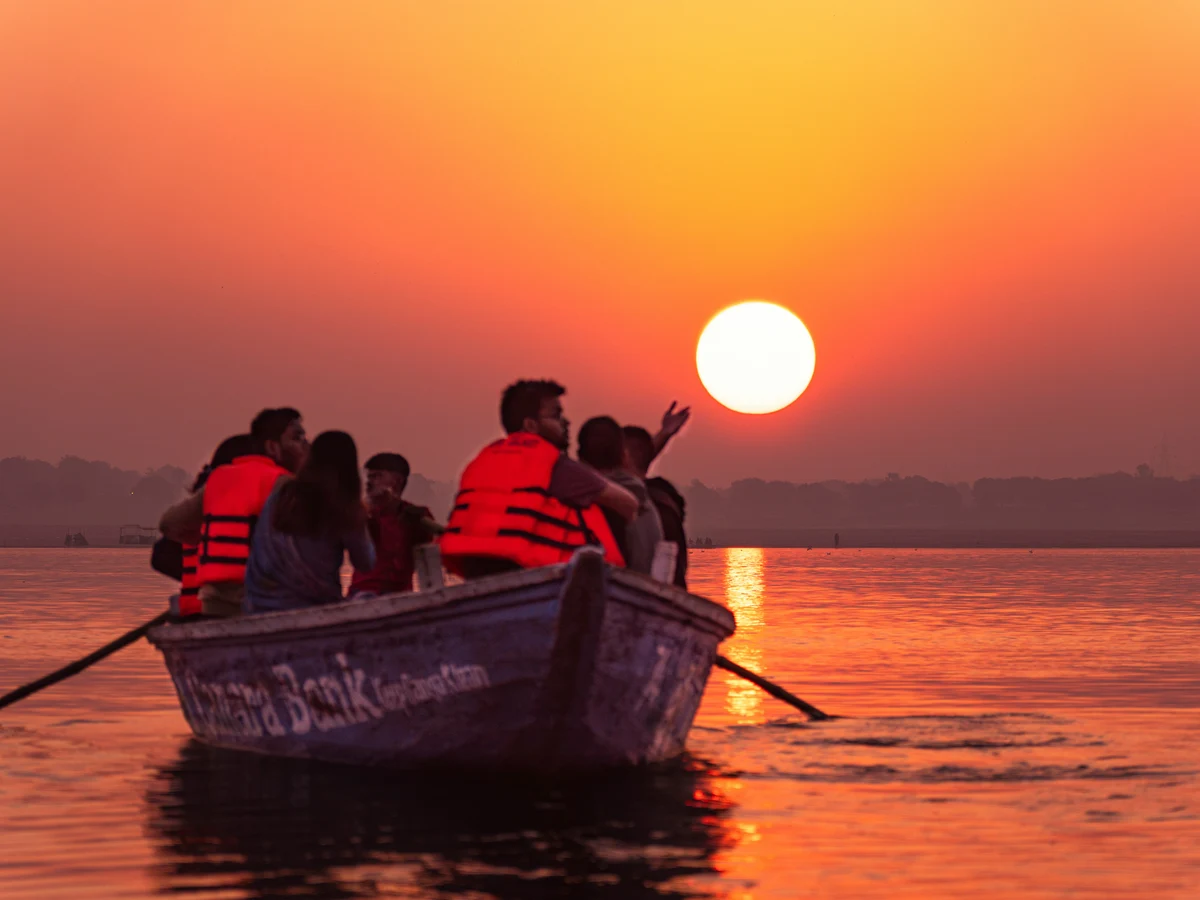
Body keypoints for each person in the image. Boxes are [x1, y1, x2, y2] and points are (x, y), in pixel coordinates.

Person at [439, 379, 637, 579]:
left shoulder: (481, 462)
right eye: (556, 416)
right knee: (600, 509)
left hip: (476, 569)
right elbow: (629, 505)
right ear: (530, 425)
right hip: (529, 572)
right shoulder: (555, 465)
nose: (565, 422)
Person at [159, 408, 308, 616]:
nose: (306, 446)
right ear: (273, 447)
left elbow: (169, 524)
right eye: (298, 438)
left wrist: (211, 539)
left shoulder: (220, 479)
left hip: (215, 606)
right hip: (267, 605)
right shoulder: (284, 484)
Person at [244, 431, 375, 614]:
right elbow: (366, 562)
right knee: (369, 599)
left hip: (260, 605)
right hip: (314, 608)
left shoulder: (281, 496)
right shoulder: (344, 506)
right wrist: (364, 519)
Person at [577, 416, 663, 574]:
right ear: (624, 456)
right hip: (642, 593)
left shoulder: (589, 506)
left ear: (579, 458)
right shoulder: (646, 502)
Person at [348, 452, 438, 597]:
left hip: (400, 594)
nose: (369, 483)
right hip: (363, 592)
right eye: (369, 477)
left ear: (397, 480)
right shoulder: (362, 513)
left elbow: (431, 542)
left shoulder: (415, 515)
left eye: (377, 476)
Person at [623, 402, 691, 589]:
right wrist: (665, 433)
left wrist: (665, 433)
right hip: (673, 595)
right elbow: (639, 462)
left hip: (642, 591)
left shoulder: (626, 498)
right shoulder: (664, 494)